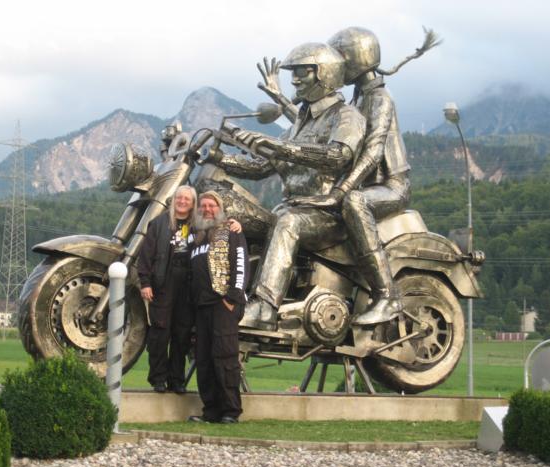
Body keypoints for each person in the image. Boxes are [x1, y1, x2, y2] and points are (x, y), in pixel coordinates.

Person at [257, 27, 440, 325]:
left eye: (339, 57)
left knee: (354, 202)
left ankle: (387, 296)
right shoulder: (354, 102)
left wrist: (340, 193)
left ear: (355, 58)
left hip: (389, 185)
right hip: (362, 185)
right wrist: (280, 97)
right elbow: (314, 129)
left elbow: (373, 153)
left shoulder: (379, 98)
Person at [212, 42, 366, 330]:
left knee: (288, 222)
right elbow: (262, 167)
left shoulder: (346, 115)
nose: (294, 80)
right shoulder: (299, 124)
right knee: (236, 215)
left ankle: (265, 306)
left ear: (324, 73)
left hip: (327, 214)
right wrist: (218, 158)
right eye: (292, 73)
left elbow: (338, 156)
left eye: (302, 72)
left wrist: (280, 147)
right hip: (291, 207)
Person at [188, 191, 249, 424]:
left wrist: (232, 298)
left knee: (225, 357)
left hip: (223, 304)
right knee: (203, 360)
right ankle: (210, 411)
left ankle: (231, 411)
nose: (207, 209)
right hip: (201, 307)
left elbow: (241, 265)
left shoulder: (231, 231)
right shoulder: (196, 237)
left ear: (219, 209)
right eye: (203, 206)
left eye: (211, 206)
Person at [137, 185, 197, 393]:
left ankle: (176, 380)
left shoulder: (199, 225)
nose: (182, 201)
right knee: (160, 332)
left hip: (188, 285)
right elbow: (146, 255)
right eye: (179, 197)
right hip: (163, 282)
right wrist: (145, 282)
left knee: (182, 334)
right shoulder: (159, 223)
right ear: (174, 199)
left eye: (187, 199)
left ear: (192, 203)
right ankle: (158, 378)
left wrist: (234, 224)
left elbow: (219, 225)